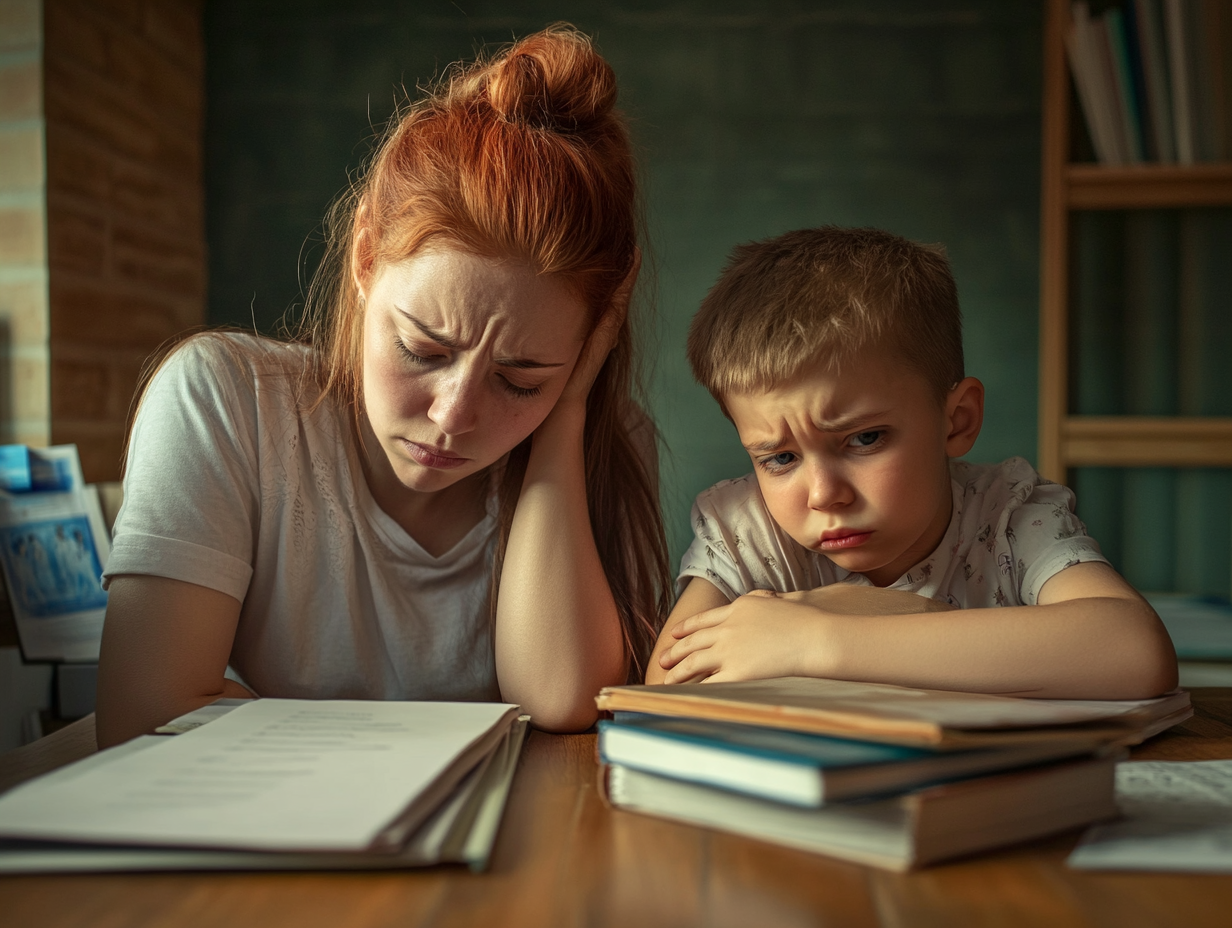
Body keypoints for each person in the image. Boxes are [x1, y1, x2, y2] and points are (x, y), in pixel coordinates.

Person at [96, 26, 671, 747]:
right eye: (422, 349)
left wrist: (566, 421)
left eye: (520, 380)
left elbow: (559, 697)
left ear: (589, 344)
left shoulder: (602, 444)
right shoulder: (224, 399)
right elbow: (145, 717)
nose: (453, 415)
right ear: (366, 257)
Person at [647, 227, 1177, 698]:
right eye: (780, 458)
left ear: (957, 421)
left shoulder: (1010, 519)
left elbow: (1134, 651)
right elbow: (665, 690)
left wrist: (820, 638)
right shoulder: (747, 534)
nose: (823, 494)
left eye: (865, 438)